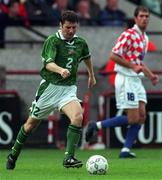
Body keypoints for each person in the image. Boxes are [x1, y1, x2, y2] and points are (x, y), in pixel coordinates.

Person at [6, 10, 96, 169]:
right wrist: (60, 70)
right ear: (61, 26)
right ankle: (13, 154)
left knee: (77, 117)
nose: (71, 31)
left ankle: (69, 157)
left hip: (68, 89)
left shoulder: (80, 42)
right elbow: (48, 63)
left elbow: (87, 56)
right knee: (30, 125)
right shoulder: (52, 41)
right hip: (49, 89)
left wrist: (91, 74)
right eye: (68, 27)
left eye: (74, 27)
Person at [86, 6, 159, 158]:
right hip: (126, 78)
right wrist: (132, 66)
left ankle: (125, 150)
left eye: (147, 16)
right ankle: (96, 125)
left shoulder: (144, 38)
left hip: (136, 80)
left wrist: (150, 75)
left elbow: (138, 61)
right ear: (136, 18)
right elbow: (113, 55)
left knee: (142, 116)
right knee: (133, 118)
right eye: (142, 16)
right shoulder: (128, 34)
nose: (144, 19)